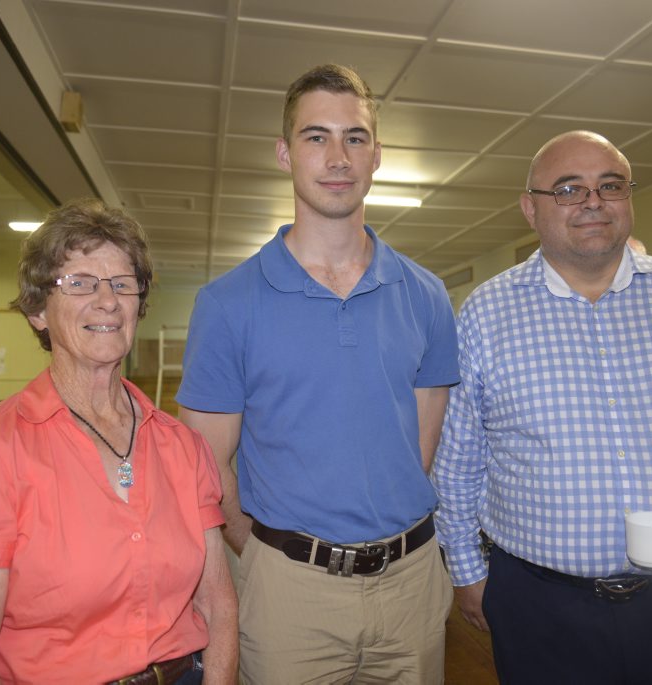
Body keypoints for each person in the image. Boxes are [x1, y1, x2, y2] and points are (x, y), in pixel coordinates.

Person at [432, 130, 652, 684]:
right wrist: (466, 571)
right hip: (539, 607)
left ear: (629, 198)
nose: (593, 201)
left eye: (610, 185)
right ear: (531, 209)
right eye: (568, 189)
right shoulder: (486, 315)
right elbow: (457, 463)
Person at [177, 64, 459, 684]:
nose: (338, 157)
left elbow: (420, 451)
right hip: (288, 595)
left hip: (411, 584)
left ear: (377, 155)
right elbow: (202, 469)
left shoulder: (428, 295)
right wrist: (274, 560)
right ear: (284, 152)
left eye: (355, 138)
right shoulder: (227, 304)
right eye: (316, 137)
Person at [0, 198, 237, 684]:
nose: (106, 300)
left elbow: (217, 603)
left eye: (122, 285)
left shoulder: (181, 447)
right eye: (80, 282)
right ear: (37, 311)